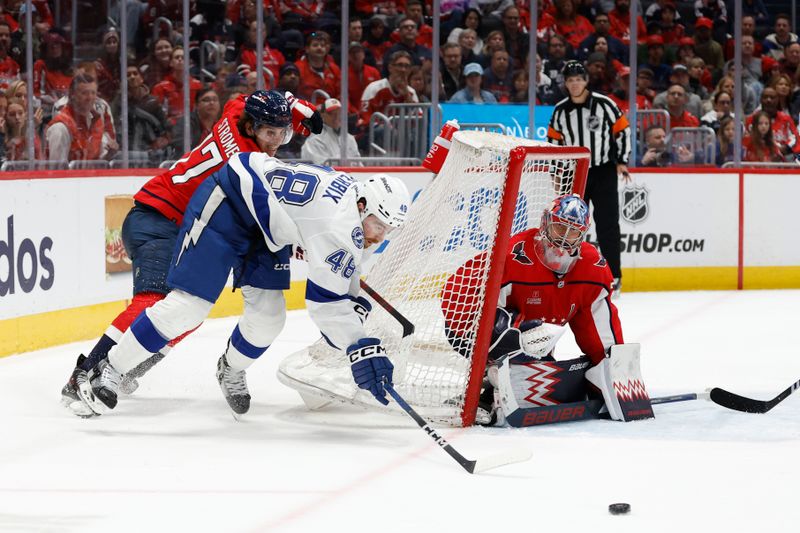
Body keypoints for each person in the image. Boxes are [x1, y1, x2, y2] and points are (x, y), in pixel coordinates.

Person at [60, 90, 323, 417]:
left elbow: (244, 97)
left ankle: (128, 369)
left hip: (174, 217)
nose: (277, 141)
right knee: (157, 302)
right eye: (271, 133)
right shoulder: (247, 160)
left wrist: (289, 109)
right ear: (253, 128)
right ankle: (87, 374)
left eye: (283, 133)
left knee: (184, 316)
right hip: (160, 218)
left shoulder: (235, 113)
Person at [74, 165, 411, 417]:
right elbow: (326, 305)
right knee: (187, 307)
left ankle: (230, 368)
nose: (380, 236)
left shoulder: (355, 210)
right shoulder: (336, 224)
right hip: (229, 205)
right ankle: (109, 370)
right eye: (379, 225)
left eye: (388, 229)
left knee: (269, 318)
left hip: (267, 228)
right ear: (363, 205)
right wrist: (358, 346)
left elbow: (346, 274)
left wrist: (355, 307)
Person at [441, 194, 625, 425]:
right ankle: (489, 385)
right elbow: (456, 290)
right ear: (546, 222)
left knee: (541, 364)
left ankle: (511, 378)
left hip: (536, 339)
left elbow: (596, 326)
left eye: (574, 231)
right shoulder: (512, 254)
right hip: (479, 332)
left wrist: (613, 367)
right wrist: (489, 335)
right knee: (516, 343)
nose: (565, 237)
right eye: (560, 227)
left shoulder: (592, 267)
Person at [547, 61, 630, 296]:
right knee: (568, 226)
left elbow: (623, 130)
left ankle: (614, 276)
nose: (574, 84)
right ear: (565, 83)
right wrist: (556, 172)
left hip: (603, 170)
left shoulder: (604, 104)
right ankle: (566, 272)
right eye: (570, 80)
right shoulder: (560, 110)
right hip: (575, 173)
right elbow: (554, 143)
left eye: (578, 79)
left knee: (607, 225)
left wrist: (622, 159)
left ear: (586, 81)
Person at [44, 73, 118, 162]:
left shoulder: (97, 121)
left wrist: (109, 155)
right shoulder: (61, 128)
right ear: (72, 95)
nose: (90, 97)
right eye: (84, 93)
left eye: (93, 93)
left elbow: (95, 164)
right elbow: (56, 171)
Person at [300, 97, 360, 164]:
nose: (336, 117)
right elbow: (320, 168)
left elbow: (359, 165)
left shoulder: (350, 138)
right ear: (322, 115)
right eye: (331, 113)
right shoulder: (314, 140)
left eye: (339, 113)